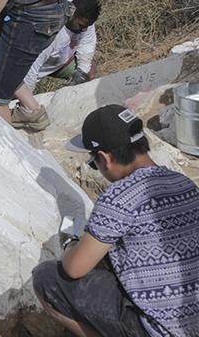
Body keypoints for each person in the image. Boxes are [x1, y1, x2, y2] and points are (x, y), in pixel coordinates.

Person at [32, 104, 199, 336]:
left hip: (158, 329)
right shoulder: (183, 183)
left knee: (46, 278)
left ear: (105, 158)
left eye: (93, 163)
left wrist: (70, 241)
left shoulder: (118, 197)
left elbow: (74, 269)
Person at [12, 0, 101, 130]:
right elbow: (32, 67)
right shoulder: (50, 28)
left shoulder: (85, 20)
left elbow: (88, 44)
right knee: (11, 99)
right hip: (34, 67)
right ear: (71, 13)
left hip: (62, 62)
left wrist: (81, 71)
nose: (84, 30)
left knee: (89, 71)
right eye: (81, 26)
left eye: (86, 27)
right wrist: (28, 99)